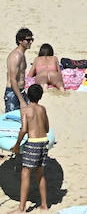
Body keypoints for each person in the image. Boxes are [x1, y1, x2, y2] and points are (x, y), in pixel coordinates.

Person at [16, 84, 50, 212]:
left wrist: (17, 145)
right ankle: (44, 206)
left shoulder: (26, 110)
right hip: (43, 142)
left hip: (33, 143)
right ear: (40, 96)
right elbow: (46, 128)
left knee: (25, 173)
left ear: (28, 96)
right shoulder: (43, 109)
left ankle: (21, 208)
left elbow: (24, 129)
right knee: (40, 174)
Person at [7, 29, 32, 113]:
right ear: (20, 41)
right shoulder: (16, 56)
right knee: (12, 123)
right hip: (13, 93)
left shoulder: (22, 55)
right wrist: (21, 100)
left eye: (32, 39)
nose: (31, 42)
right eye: (28, 40)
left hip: (21, 91)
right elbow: (12, 79)